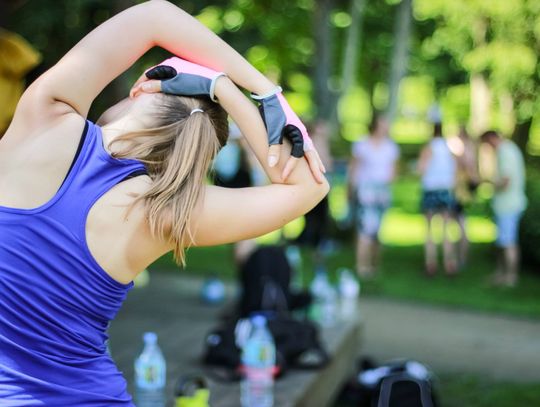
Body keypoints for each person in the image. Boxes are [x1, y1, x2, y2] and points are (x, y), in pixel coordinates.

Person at [0, 1, 329, 405]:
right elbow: (308, 189)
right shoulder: (165, 211)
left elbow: (154, 16)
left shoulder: (44, 118)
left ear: (142, 86)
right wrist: (232, 97)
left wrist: (252, 87)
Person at [348, 115, 399, 278]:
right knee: (365, 229)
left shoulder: (391, 147)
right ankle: (362, 265)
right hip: (366, 191)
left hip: (382, 191)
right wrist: (351, 189)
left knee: (377, 231)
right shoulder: (362, 144)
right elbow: (354, 169)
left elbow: (393, 171)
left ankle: (374, 264)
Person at [480, 130, 527, 287]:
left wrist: (489, 182)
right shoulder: (508, 149)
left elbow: (505, 181)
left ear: (491, 139)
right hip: (507, 204)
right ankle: (501, 274)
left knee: (508, 243)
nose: (488, 148)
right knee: (503, 242)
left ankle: (510, 277)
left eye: (486, 144)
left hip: (509, 204)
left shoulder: (505, 152)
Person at [417, 122, 457, 276]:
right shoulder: (449, 147)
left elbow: (421, 168)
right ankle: (449, 263)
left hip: (431, 189)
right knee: (447, 228)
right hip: (446, 190)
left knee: (430, 230)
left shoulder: (429, 147)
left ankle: (430, 263)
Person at [449, 125, 479, 267]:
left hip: (459, 193)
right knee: (459, 226)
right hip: (462, 193)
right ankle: (458, 257)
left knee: (458, 226)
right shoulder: (470, 150)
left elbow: (472, 176)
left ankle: (458, 258)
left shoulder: (464, 151)